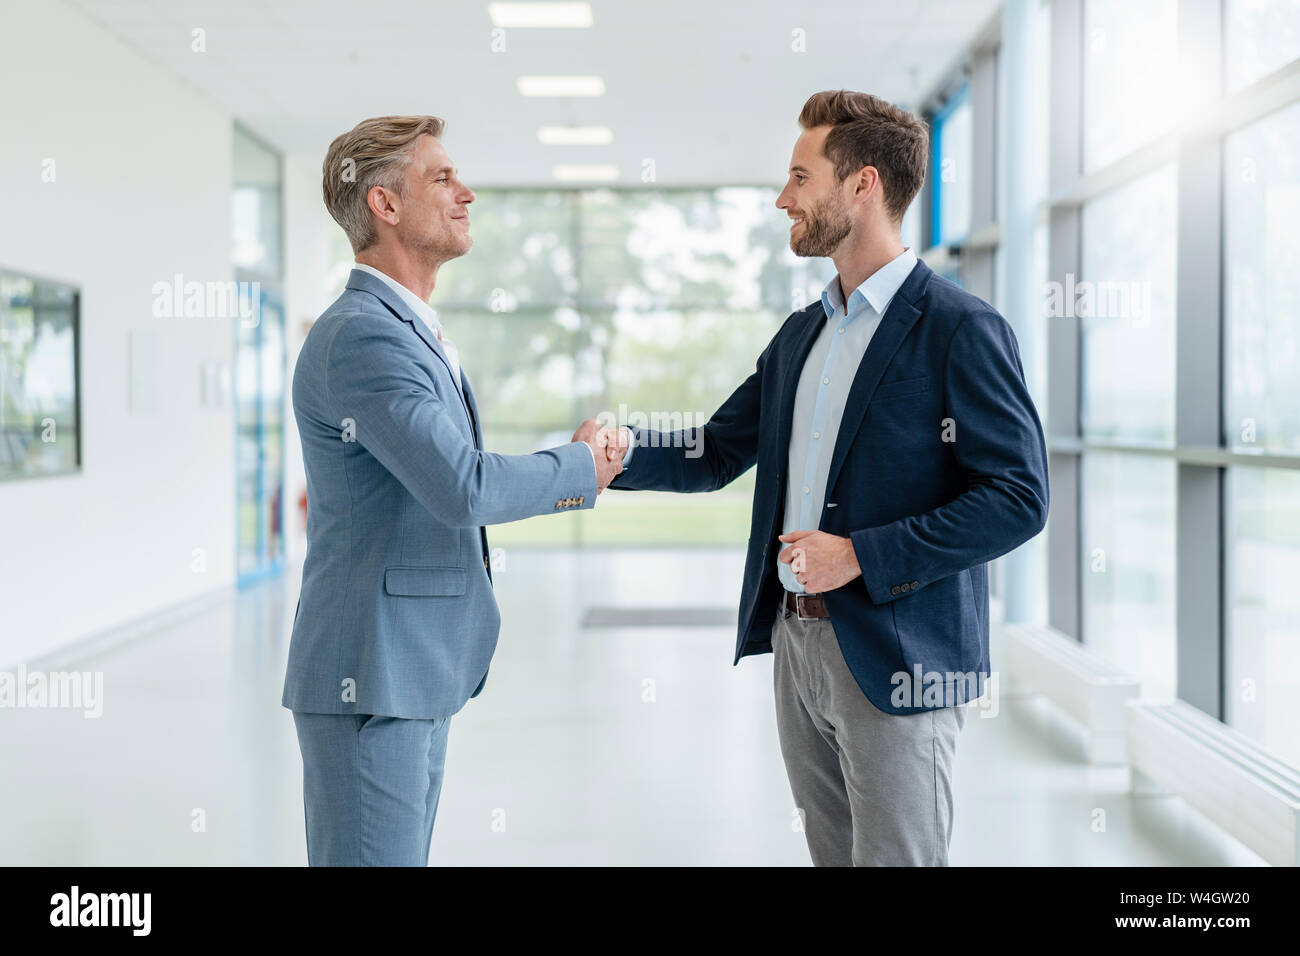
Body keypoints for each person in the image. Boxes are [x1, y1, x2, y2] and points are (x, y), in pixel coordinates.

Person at [580, 90, 1049, 866]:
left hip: (898, 655)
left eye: (801, 177)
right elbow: (716, 449)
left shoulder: (961, 329)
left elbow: (1017, 499)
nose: (783, 198)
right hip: (798, 644)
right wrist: (620, 451)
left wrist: (860, 553)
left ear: (862, 185)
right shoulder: (804, 334)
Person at [282, 115, 623, 866]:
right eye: (442, 178)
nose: (466, 193)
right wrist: (578, 469)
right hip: (369, 676)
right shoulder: (363, 336)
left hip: (405, 672)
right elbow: (463, 486)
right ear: (385, 204)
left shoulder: (405, 328)